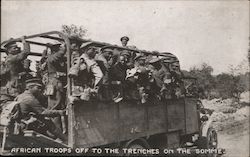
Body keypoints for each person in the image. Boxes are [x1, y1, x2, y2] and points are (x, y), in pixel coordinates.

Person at [15, 78, 67, 142]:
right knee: (49, 123)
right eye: (38, 87)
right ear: (30, 87)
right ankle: (66, 140)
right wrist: (59, 112)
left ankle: (54, 138)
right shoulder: (30, 99)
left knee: (44, 121)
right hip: (27, 125)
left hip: (22, 122)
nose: (40, 90)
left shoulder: (20, 96)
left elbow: (39, 109)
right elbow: (43, 112)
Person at [45, 41, 67, 132]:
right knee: (55, 107)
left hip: (58, 83)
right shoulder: (52, 57)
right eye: (58, 48)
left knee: (60, 106)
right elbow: (60, 54)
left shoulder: (59, 59)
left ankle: (60, 130)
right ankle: (56, 132)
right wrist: (64, 47)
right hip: (54, 84)